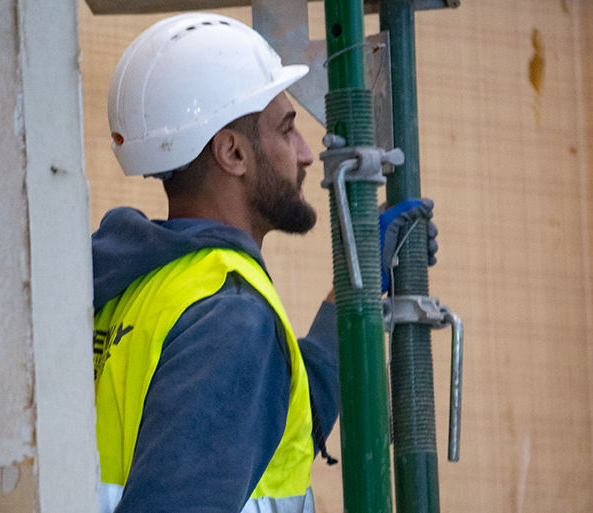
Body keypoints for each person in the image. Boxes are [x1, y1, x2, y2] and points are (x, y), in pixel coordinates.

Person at [91, 12, 436, 513]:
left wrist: (351, 292)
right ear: (233, 153)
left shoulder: (138, 283)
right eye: (287, 128)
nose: (305, 154)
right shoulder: (228, 315)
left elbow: (262, 424)